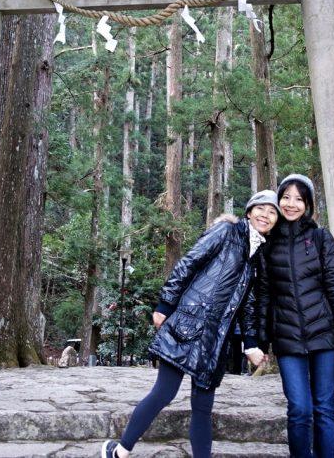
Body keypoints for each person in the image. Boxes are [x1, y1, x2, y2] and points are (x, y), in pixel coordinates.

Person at [101, 190, 279, 458]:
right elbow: (189, 262)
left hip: (216, 339)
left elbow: (249, 304)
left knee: (203, 407)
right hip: (188, 324)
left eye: (272, 212)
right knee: (164, 392)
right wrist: (165, 304)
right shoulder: (226, 231)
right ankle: (121, 451)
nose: (266, 215)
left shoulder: (259, 256)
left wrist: (251, 344)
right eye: (261, 209)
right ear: (249, 211)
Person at [257, 174, 334, 458]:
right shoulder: (268, 244)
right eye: (286, 197)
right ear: (278, 201)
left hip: (325, 335)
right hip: (287, 337)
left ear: (309, 204)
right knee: (299, 408)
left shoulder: (320, 238)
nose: (291, 204)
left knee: (324, 407)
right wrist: (261, 338)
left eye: (299, 199)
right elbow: (264, 294)